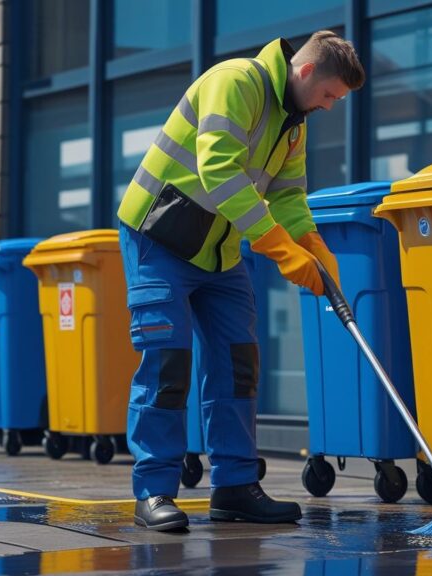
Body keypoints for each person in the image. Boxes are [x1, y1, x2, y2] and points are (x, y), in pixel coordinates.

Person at [115, 31, 364, 531]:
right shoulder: (235, 82)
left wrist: (313, 246)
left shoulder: (293, 125)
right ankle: (154, 491)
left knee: (237, 364)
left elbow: (288, 196)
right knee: (167, 365)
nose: (329, 106)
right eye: (329, 95)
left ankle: (234, 487)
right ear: (306, 72)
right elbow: (219, 170)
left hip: (220, 250)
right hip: (160, 236)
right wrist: (280, 250)